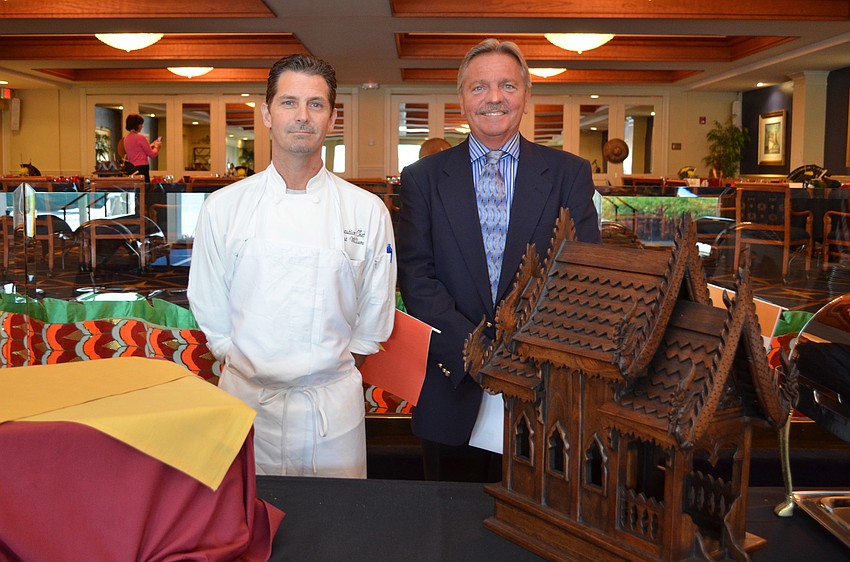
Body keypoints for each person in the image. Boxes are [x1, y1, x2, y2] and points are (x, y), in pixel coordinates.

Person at [396, 38, 601, 482]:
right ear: (462, 99)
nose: (494, 98)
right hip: (452, 385)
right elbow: (417, 278)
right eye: (479, 87)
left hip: (542, 390)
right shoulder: (422, 179)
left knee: (538, 517)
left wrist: (522, 356)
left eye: (507, 85)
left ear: (526, 94)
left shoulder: (569, 174)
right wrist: (477, 353)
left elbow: (582, 277)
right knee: (449, 519)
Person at [187, 54, 397, 478]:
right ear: (267, 113)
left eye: (315, 104)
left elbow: (374, 314)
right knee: (248, 515)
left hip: (332, 411)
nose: (302, 116)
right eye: (289, 102)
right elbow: (209, 304)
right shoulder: (223, 208)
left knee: (336, 517)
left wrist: (323, 373)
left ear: (332, 118)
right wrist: (251, 368)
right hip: (246, 405)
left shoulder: (367, 211)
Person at [121, 113, 161, 182]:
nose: (142, 126)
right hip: (142, 167)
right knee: (145, 186)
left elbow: (139, 151)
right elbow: (152, 154)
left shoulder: (126, 139)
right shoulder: (141, 138)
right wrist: (157, 147)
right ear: (137, 125)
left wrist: (151, 145)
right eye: (141, 124)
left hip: (132, 168)